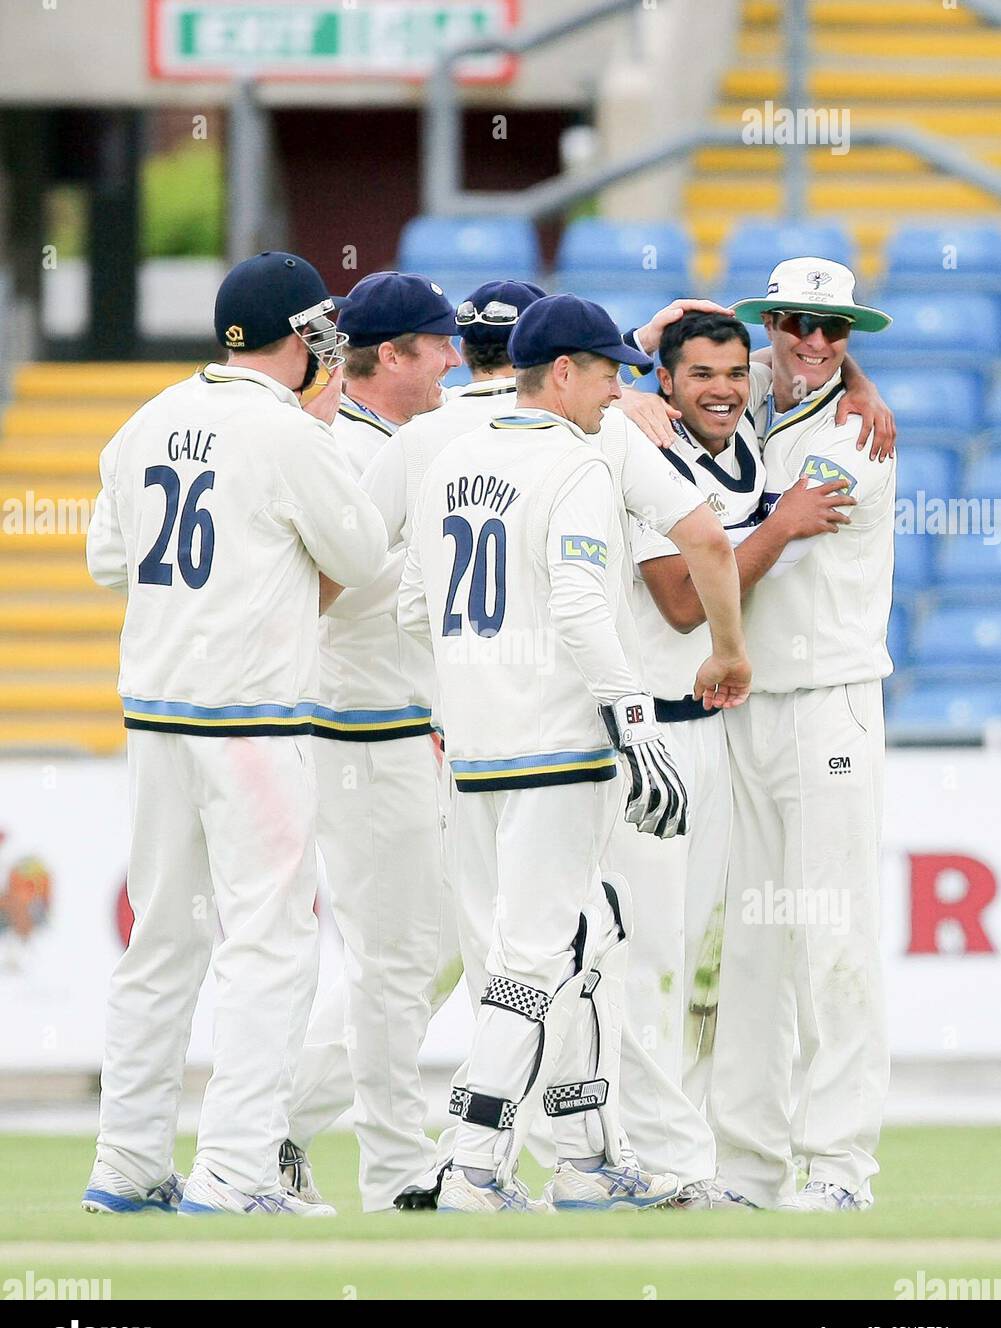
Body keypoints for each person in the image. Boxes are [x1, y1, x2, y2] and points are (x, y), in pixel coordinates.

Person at [399, 294, 750, 1212]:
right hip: (556, 747)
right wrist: (636, 727)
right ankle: (472, 1165)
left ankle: (586, 1161)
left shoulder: (449, 456)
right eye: (605, 373)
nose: (614, 393)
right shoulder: (579, 462)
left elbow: (411, 608)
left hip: (471, 748)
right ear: (561, 372)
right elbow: (583, 607)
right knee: (532, 958)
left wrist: (469, 688)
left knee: (583, 940)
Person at [81, 252, 388, 1217]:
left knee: (161, 943)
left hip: (158, 713)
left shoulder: (146, 420)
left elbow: (106, 562)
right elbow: (365, 558)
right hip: (252, 718)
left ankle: (127, 1163)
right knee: (269, 945)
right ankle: (235, 1170)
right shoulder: (289, 433)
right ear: (299, 339)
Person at [708, 257, 896, 1211]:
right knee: (751, 947)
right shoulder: (744, 420)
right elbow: (671, 346)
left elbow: (747, 557)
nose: (815, 343)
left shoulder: (856, 438)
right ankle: (744, 1167)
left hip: (828, 701)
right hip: (752, 707)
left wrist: (852, 390)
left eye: (835, 330)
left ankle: (838, 1167)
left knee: (830, 940)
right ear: (768, 325)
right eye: (796, 324)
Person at [288, 272, 463, 1215]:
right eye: (438, 345)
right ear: (391, 354)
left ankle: (274, 1127)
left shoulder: (399, 436)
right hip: (354, 729)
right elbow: (337, 590)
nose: (453, 360)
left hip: (400, 730)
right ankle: (394, 1168)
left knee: (412, 956)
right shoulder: (340, 450)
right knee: (398, 960)